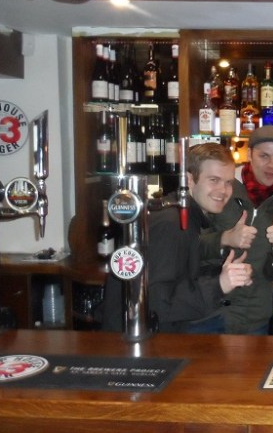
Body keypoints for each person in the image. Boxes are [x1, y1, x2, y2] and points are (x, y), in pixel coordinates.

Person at [100, 143, 253, 333]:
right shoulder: (173, 224)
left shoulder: (183, 217)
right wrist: (220, 284)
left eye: (228, 182)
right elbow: (157, 303)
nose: (223, 190)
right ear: (189, 180)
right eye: (214, 180)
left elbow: (176, 276)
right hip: (136, 345)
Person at [201, 125, 273, 334]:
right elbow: (189, 246)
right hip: (205, 312)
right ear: (249, 153)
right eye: (264, 155)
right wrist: (225, 238)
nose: (271, 165)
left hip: (252, 318)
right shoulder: (220, 188)